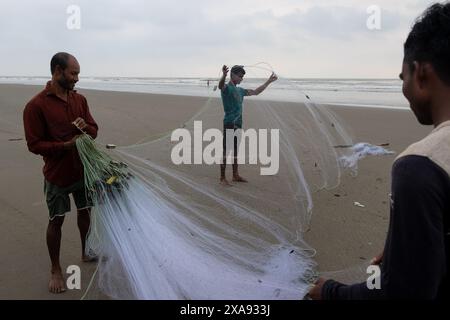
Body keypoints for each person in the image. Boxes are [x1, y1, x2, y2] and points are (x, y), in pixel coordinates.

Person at [309, 2, 450, 300]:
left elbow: (402, 294)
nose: (405, 88)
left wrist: (330, 292)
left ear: (421, 74)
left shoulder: (420, 167)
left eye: (403, 78)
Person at [23, 52, 99, 294]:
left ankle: (86, 251)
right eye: (73, 73)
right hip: (57, 175)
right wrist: (64, 147)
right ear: (57, 71)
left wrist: (85, 127)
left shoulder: (80, 100)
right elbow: (34, 145)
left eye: (77, 73)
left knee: (85, 211)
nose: (77, 78)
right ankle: (55, 269)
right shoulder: (35, 106)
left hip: (82, 171)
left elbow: (94, 131)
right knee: (56, 220)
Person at [218, 65, 278, 185]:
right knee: (227, 151)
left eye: (242, 77)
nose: (241, 78)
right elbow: (221, 86)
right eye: (240, 76)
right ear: (232, 75)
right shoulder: (227, 89)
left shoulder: (240, 91)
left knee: (235, 151)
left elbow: (256, 92)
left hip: (238, 124)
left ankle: (235, 175)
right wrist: (224, 75)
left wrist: (268, 82)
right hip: (229, 123)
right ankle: (222, 178)